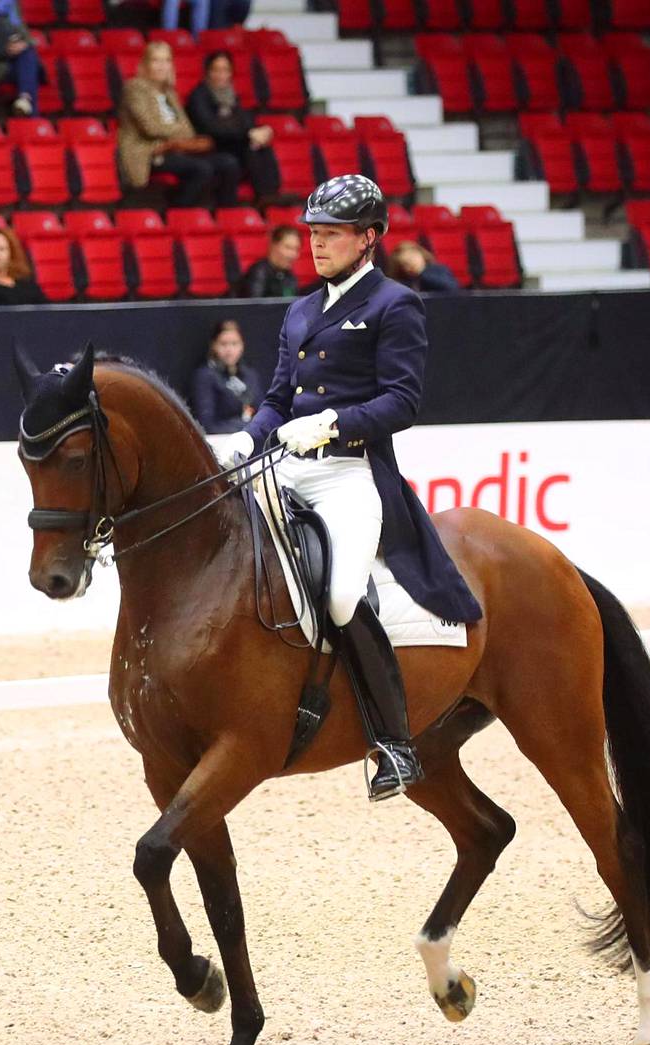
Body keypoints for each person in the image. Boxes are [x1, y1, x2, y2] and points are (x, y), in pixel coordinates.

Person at [218, 175, 482, 802]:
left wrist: (335, 423)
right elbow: (279, 399)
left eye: (331, 233)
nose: (317, 243)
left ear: (367, 239)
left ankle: (395, 740)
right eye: (313, 232)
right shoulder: (300, 309)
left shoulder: (395, 304)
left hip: (351, 472)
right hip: (286, 465)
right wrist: (247, 438)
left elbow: (401, 401)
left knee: (338, 595)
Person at [117, 42, 239, 210]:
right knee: (201, 168)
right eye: (156, 61)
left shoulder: (169, 92)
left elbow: (188, 129)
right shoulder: (134, 88)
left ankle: (226, 215)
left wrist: (177, 140)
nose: (162, 66)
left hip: (176, 148)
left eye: (166, 61)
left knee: (228, 163)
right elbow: (150, 127)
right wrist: (177, 134)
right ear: (145, 64)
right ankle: (177, 212)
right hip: (150, 151)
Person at [186, 51, 276, 204]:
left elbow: (245, 121)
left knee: (260, 146)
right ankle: (248, 204)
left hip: (232, 144)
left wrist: (260, 131)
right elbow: (211, 128)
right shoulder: (199, 96)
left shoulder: (231, 95)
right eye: (216, 70)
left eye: (225, 70)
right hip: (209, 148)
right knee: (239, 156)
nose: (221, 75)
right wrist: (248, 134)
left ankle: (271, 196)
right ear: (208, 72)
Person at [190, 319, 263, 435]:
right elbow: (207, 425)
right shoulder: (206, 376)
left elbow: (262, 414)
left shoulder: (249, 374)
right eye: (223, 344)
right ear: (214, 345)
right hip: (220, 441)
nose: (229, 350)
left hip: (250, 439)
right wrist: (246, 426)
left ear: (242, 345)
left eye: (234, 344)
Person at [237, 225, 302, 299]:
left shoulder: (289, 276)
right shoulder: (259, 273)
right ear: (274, 245)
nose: (293, 254)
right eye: (288, 248)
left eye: (296, 249)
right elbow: (252, 307)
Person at [387, 239, 460, 295]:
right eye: (405, 264)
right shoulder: (404, 281)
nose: (411, 264)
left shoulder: (439, 270)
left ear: (421, 254)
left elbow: (452, 288)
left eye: (412, 258)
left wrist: (421, 272)